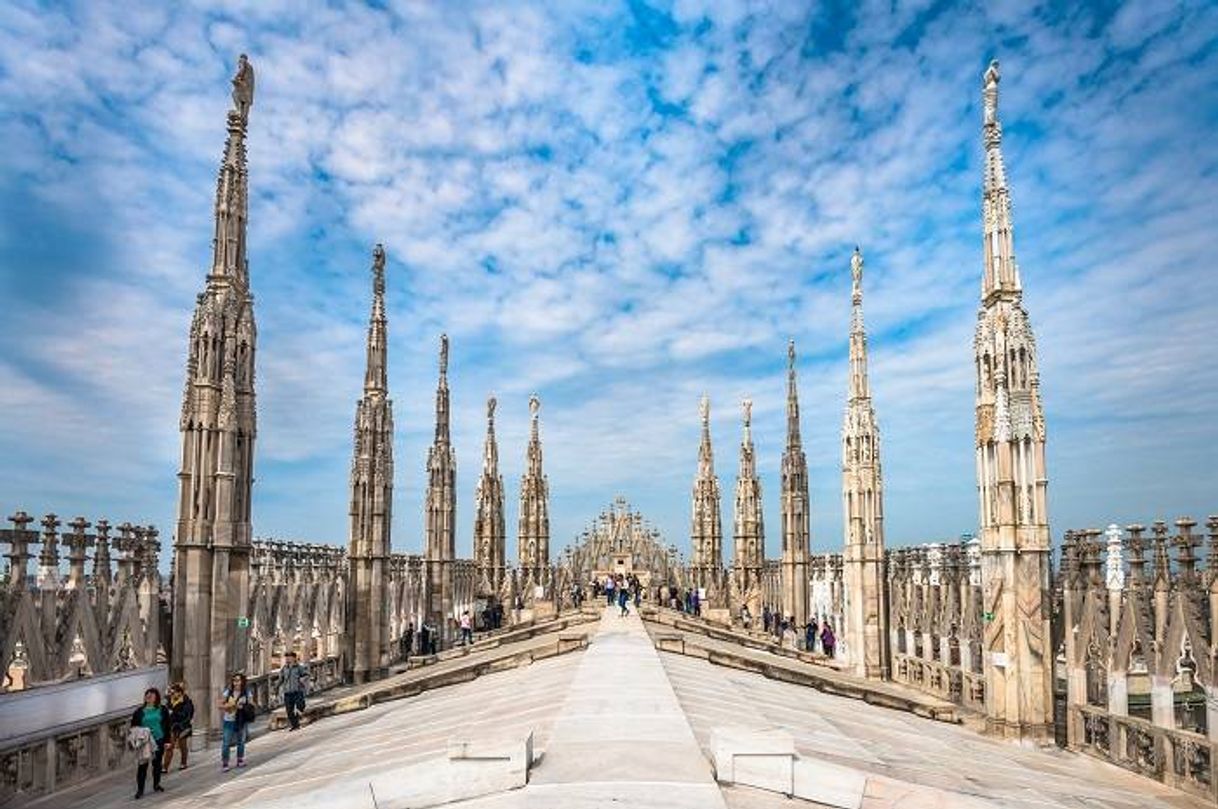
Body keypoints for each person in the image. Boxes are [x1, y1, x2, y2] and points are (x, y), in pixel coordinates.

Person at [130, 687, 170, 798]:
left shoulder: (162, 709)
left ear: (156, 697)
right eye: (147, 695)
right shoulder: (139, 712)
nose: (148, 697)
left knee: (157, 764)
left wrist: (167, 741)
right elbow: (133, 727)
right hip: (145, 742)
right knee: (142, 765)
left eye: (151, 695)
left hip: (158, 739)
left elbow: (167, 725)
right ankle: (140, 790)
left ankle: (156, 784)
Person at [219, 673, 253, 771]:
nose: (236, 683)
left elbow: (251, 705)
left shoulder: (247, 692)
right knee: (226, 742)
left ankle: (240, 759)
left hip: (241, 720)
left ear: (242, 681)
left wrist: (243, 706)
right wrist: (230, 706)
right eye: (234, 680)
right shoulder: (228, 692)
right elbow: (220, 705)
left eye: (238, 680)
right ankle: (225, 762)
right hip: (229, 720)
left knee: (240, 741)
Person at [163, 682, 194, 771]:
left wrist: (174, 713)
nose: (173, 695)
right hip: (172, 726)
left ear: (180, 692)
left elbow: (187, 715)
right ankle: (165, 766)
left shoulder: (186, 701)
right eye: (172, 693)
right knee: (170, 746)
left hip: (183, 726)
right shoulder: (169, 701)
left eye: (174, 693)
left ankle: (183, 763)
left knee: (182, 745)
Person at [279, 651, 309, 731]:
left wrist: (302, 679)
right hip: (287, 692)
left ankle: (297, 719)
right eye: (286, 657)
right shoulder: (284, 668)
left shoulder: (299, 667)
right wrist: (276, 687)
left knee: (301, 706)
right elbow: (281, 679)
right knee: (289, 710)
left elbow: (306, 674)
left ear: (294, 658)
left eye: (289, 657)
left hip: (297, 690)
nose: (288, 659)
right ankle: (295, 725)